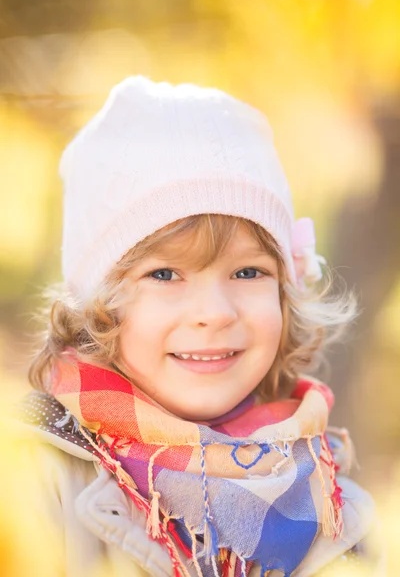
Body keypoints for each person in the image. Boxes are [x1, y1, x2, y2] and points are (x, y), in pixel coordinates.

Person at [19, 76, 376, 577]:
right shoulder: (30, 488)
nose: (215, 312)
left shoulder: (334, 500)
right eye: (164, 274)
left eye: (248, 272)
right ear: (95, 307)